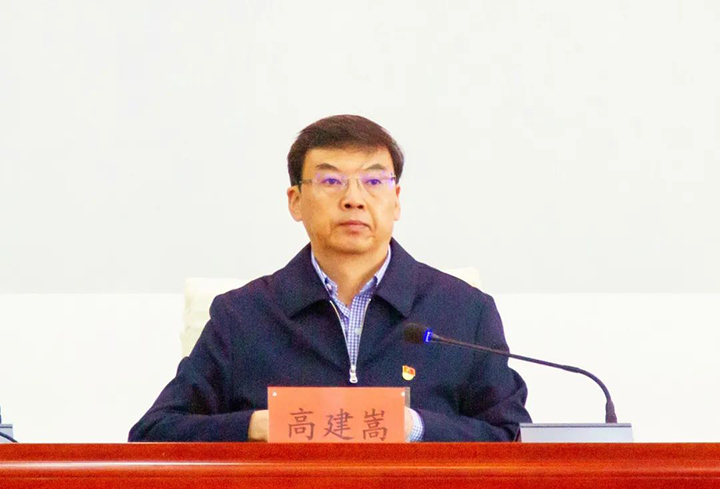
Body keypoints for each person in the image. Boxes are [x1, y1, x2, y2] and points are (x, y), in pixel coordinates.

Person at [128, 115, 530, 442]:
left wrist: (416, 428)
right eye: (331, 181)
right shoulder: (242, 316)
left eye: (374, 182)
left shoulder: (464, 311)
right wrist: (256, 426)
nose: (354, 199)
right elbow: (154, 433)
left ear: (396, 201)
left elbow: (512, 436)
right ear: (295, 201)